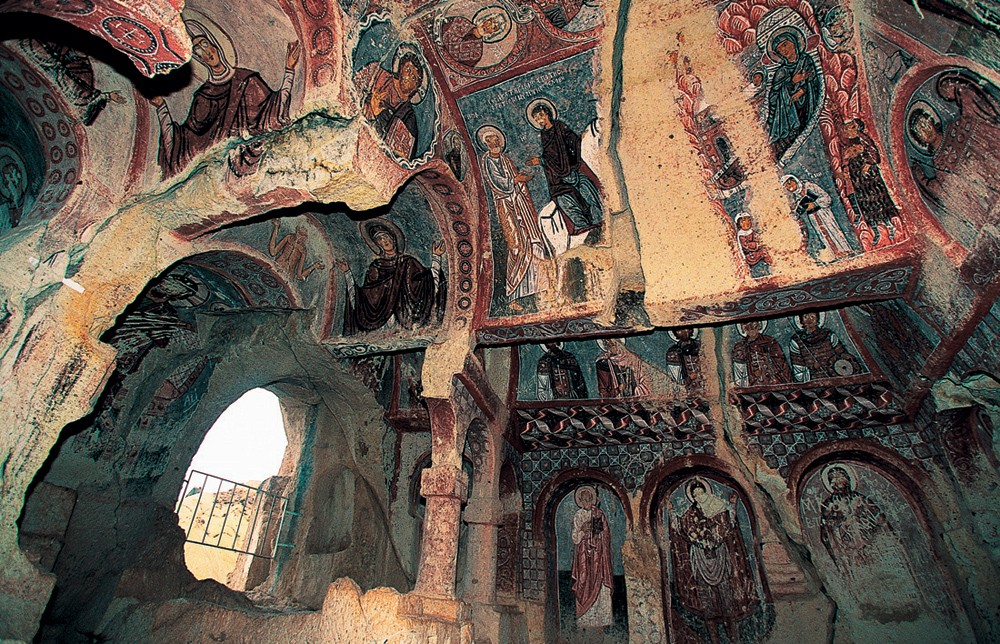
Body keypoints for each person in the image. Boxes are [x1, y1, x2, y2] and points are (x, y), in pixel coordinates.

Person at [151, 20, 299, 178]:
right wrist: (162, 108)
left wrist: (289, 69)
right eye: (199, 50)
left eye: (205, 44)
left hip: (252, 153)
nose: (206, 52)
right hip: (220, 167)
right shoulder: (203, 96)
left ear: (214, 45)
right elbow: (184, 141)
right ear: (199, 59)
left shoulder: (247, 79)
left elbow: (274, 110)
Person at [818, 464, 923, 617]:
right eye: (833, 479)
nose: (837, 482)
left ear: (848, 479)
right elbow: (828, 531)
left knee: (885, 573)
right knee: (863, 578)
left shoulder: (860, 499)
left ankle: (902, 604)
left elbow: (879, 519)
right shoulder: (830, 505)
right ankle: (873, 608)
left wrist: (888, 535)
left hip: (872, 543)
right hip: (851, 549)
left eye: (840, 477)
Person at [668, 478, 759, 643]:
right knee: (706, 601)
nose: (699, 497)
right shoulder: (690, 514)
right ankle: (714, 639)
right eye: (695, 495)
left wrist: (732, 506)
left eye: (700, 493)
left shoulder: (719, 508)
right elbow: (682, 529)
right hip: (700, 559)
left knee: (727, 597)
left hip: (719, 558)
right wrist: (672, 514)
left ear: (706, 492)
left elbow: (728, 525)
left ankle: (734, 638)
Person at [908, 73, 1000, 231]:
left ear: (931, 120)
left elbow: (983, 129)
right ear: (919, 139)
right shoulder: (938, 164)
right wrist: (920, 176)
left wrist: (957, 89)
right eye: (919, 130)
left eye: (924, 123)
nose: (924, 130)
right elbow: (943, 192)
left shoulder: (958, 126)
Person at [479, 126, 550, 309]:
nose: (494, 143)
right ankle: (513, 295)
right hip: (505, 205)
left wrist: (521, 180)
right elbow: (497, 183)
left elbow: (515, 180)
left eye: (496, 139)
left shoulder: (506, 159)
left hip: (519, 202)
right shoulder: (486, 161)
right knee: (516, 246)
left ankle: (540, 287)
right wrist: (516, 180)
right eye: (490, 141)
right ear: (486, 144)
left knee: (533, 240)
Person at [338, 219, 445, 335]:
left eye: (386, 237)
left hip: (405, 320)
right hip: (382, 325)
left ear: (393, 239)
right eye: (379, 239)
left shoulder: (408, 262)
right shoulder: (376, 266)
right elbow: (365, 297)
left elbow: (427, 283)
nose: (384, 241)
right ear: (377, 244)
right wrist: (347, 273)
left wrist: (436, 257)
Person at [527, 100, 603, 244]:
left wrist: (579, 140)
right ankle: (585, 227)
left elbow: (570, 142)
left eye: (541, 115)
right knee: (564, 200)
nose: (539, 120)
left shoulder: (559, 126)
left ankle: (599, 221)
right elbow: (551, 155)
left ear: (547, 114)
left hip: (571, 169)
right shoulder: (544, 135)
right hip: (559, 178)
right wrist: (542, 160)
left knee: (587, 189)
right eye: (536, 118)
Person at [765, 29, 822, 162]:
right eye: (779, 50)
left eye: (785, 45)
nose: (783, 50)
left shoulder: (806, 61)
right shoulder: (781, 72)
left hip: (808, 107)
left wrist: (802, 90)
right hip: (789, 117)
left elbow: (815, 81)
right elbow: (773, 97)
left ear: (794, 42)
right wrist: (791, 83)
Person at [841, 118, 899, 244]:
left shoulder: (862, 138)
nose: (848, 128)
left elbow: (874, 154)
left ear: (857, 129)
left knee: (877, 200)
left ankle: (890, 227)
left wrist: (868, 163)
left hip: (869, 175)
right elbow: (846, 157)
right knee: (865, 203)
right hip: (856, 174)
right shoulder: (847, 141)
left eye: (852, 126)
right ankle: (875, 232)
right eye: (849, 126)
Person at [362, 52, 425, 161]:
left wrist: (378, 113)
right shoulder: (378, 74)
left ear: (416, 88)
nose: (409, 78)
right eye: (408, 70)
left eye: (414, 78)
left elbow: (396, 154)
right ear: (400, 68)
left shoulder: (408, 116)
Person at [570, 486, 614, 629]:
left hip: (598, 555)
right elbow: (575, 538)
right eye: (583, 499)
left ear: (592, 499)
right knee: (583, 581)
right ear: (580, 501)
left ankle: (601, 622)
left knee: (600, 584)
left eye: (589, 499)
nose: (586, 501)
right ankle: (585, 621)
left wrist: (597, 536)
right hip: (583, 554)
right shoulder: (578, 515)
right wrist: (583, 531)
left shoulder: (598, 513)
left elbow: (605, 534)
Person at [782, 174, 854, 261]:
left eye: (789, 183)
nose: (789, 187)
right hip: (813, 216)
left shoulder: (810, 187)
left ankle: (845, 251)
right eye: (786, 186)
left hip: (823, 213)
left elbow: (827, 198)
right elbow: (798, 211)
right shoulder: (797, 197)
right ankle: (834, 254)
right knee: (822, 234)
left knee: (833, 230)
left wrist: (815, 203)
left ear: (794, 180)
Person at [789, 311, 861, 382]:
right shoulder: (797, 341)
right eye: (805, 317)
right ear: (801, 321)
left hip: (834, 375)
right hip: (815, 380)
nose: (809, 320)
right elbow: (798, 368)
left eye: (812, 316)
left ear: (817, 318)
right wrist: (813, 368)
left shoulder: (828, 335)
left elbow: (841, 353)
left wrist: (845, 356)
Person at [732, 320, 793, 387]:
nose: (752, 330)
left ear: (759, 325)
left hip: (772, 382)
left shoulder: (769, 342)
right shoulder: (740, 346)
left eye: (754, 326)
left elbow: (781, 364)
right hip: (753, 383)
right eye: (748, 327)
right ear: (743, 328)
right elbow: (739, 371)